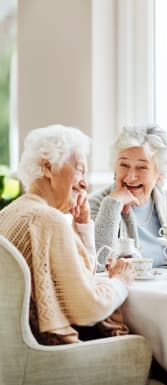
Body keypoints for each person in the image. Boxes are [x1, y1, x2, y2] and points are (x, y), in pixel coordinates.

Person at [0, 124, 135, 345]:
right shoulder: (47, 220)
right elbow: (89, 308)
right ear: (47, 167)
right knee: (146, 348)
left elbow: (79, 280)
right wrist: (120, 282)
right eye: (80, 169)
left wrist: (82, 224)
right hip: (51, 353)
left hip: (14, 354)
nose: (85, 182)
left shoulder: (10, 213)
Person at [89, 124, 167, 268]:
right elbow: (96, 264)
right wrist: (112, 204)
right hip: (124, 289)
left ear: (160, 173)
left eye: (142, 167)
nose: (130, 177)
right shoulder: (96, 204)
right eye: (124, 165)